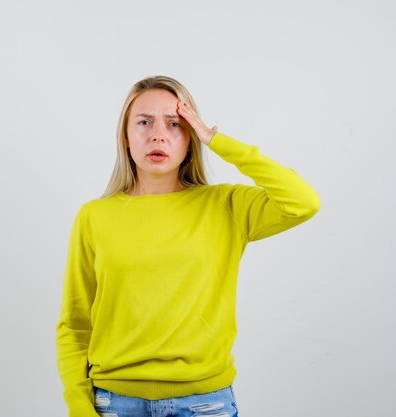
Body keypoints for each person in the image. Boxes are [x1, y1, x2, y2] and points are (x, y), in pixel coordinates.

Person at [55, 75, 321, 417]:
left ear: (191, 137)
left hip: (205, 404)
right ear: (125, 136)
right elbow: (75, 324)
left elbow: (303, 202)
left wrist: (216, 139)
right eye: (144, 122)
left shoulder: (226, 206)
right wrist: (78, 406)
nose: (158, 134)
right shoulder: (94, 216)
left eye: (175, 124)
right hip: (115, 403)